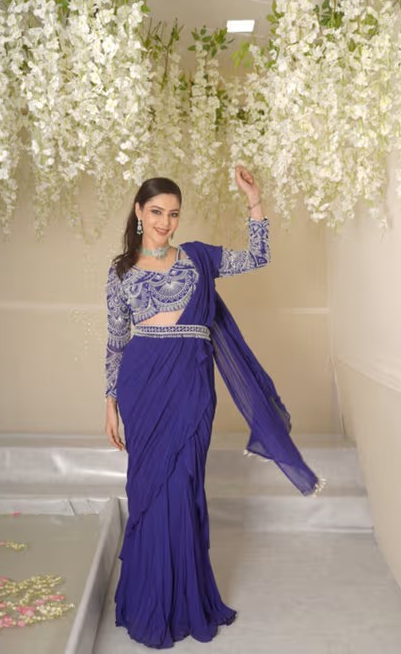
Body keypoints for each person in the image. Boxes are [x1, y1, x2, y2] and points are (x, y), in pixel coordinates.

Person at [104, 165, 326, 648]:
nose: (165, 222)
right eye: (156, 212)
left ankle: (185, 600)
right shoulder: (120, 271)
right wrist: (110, 403)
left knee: (182, 485)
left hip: (190, 385)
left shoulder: (199, 257)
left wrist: (254, 200)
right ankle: (148, 600)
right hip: (141, 386)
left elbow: (259, 256)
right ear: (139, 212)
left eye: (173, 214)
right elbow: (116, 341)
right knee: (147, 490)